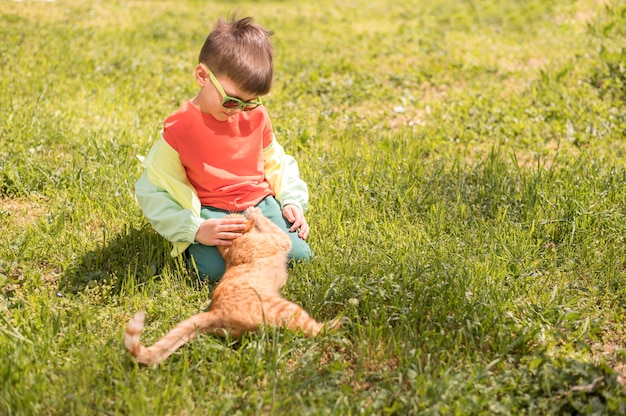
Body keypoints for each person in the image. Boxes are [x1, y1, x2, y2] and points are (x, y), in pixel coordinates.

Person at [135, 15, 312, 282]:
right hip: (211, 211)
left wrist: (290, 200)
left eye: (249, 102)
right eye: (231, 101)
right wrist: (196, 229)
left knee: (299, 255)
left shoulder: (257, 115)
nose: (239, 111)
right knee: (212, 272)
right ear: (203, 76)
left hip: (258, 203)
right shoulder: (180, 128)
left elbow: (277, 161)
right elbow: (154, 190)